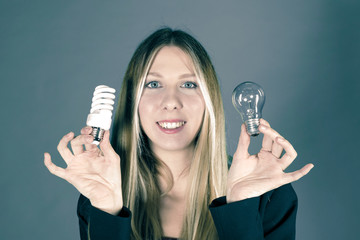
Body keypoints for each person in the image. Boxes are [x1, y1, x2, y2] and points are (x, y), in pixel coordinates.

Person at [44, 27, 314, 240]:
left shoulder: (268, 194)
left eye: (188, 83)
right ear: (131, 102)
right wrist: (107, 209)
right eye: (153, 83)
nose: (171, 101)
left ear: (210, 100)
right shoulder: (99, 192)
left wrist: (241, 206)